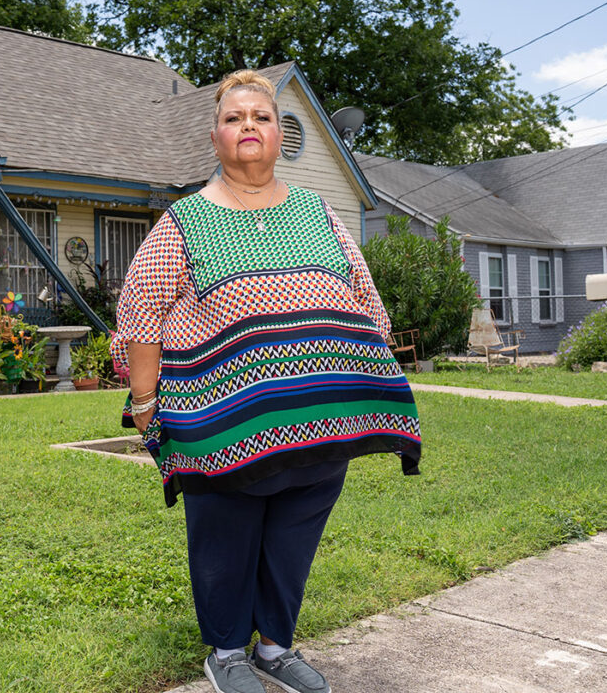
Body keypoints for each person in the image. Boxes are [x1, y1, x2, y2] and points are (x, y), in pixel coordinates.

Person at [111, 70, 420, 693]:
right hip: (222, 427)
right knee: (224, 539)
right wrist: (146, 407)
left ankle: (275, 648)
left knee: (294, 538)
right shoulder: (183, 221)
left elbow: (366, 300)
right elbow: (142, 314)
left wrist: (368, 383)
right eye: (234, 118)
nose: (247, 126)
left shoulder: (319, 212)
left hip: (324, 422)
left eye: (261, 116)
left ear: (279, 132)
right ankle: (226, 653)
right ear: (216, 134)